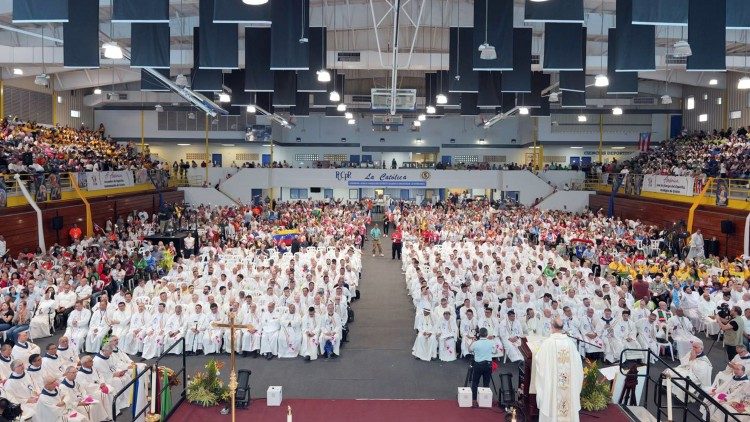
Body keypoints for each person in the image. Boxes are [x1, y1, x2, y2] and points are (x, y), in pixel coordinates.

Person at [534, 317, 584, 422]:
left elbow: (540, 362)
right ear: (562, 328)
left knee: (551, 399)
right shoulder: (570, 343)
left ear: (552, 327)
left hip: (553, 384)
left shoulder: (548, 343)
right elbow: (578, 365)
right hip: (567, 384)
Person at [469, 327, 494, 408]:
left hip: (478, 365)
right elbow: (495, 351)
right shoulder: (491, 342)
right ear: (486, 334)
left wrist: (472, 341)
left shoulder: (476, 343)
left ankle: (474, 400)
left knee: (475, 382)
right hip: (488, 365)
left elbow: (469, 350)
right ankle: (484, 400)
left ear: (479, 334)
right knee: (486, 382)